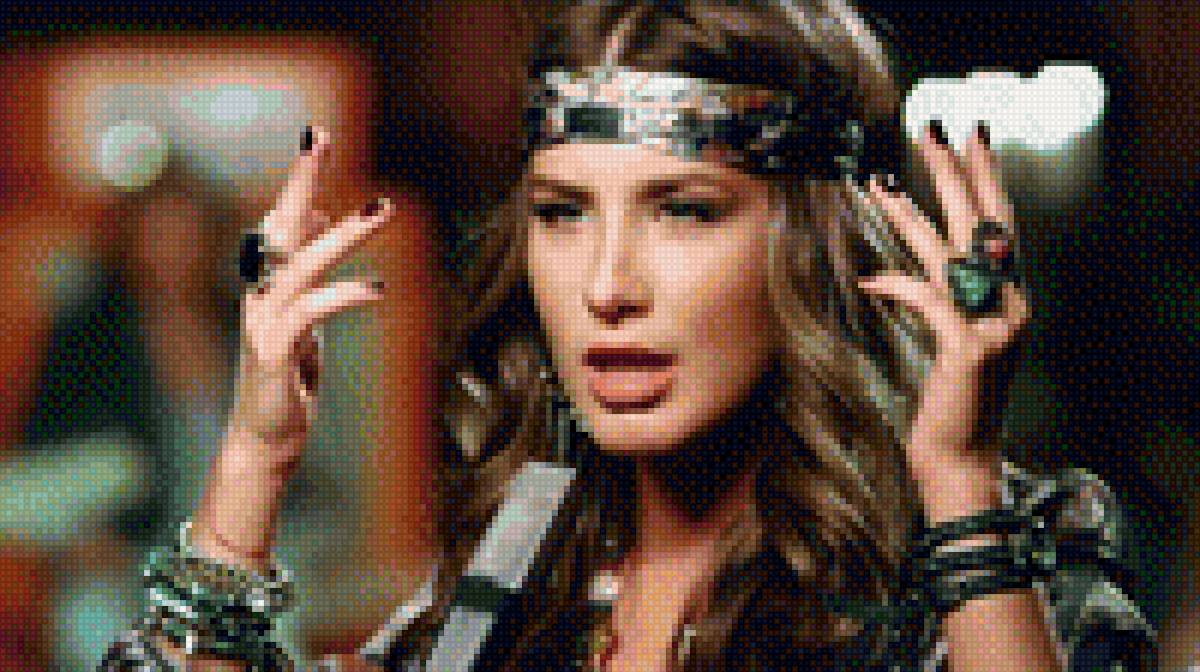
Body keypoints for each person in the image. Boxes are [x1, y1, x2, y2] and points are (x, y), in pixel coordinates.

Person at [99, 1, 1162, 671]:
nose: (607, 287)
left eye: (684, 211)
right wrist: (254, 460)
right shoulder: (512, 578)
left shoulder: (976, 571)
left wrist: (960, 486)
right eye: (565, 213)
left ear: (809, 248)